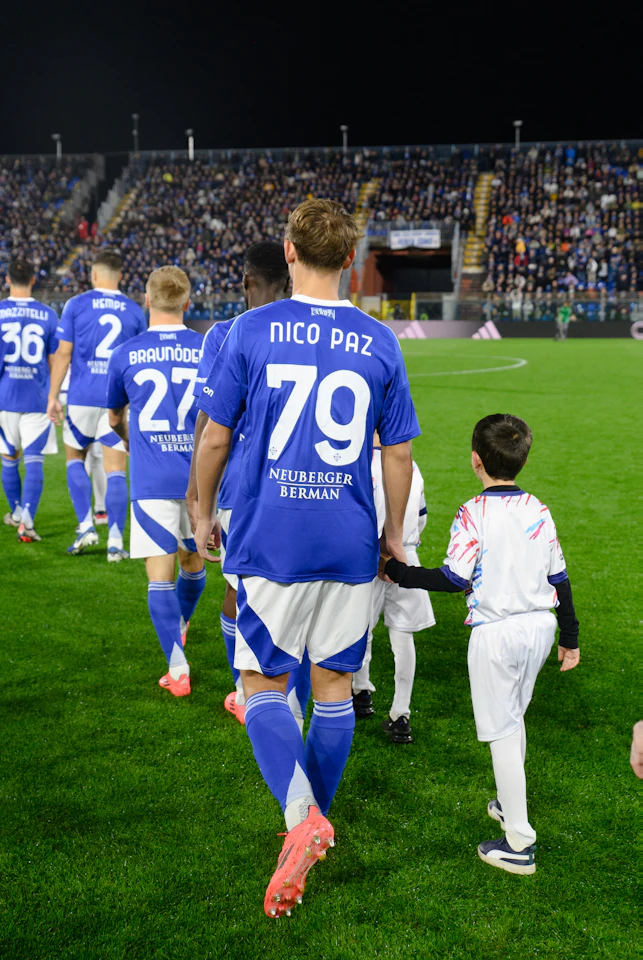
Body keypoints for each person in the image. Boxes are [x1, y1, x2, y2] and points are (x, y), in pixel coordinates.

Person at [195, 198, 420, 917]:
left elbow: (214, 437)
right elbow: (400, 449)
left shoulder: (248, 330)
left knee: (261, 679)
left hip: (272, 534)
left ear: (289, 252)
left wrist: (201, 509)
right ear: (350, 260)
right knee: (332, 686)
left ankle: (301, 820)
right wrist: (390, 535)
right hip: (349, 537)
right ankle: (313, 819)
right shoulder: (380, 340)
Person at [381, 414, 580, 876]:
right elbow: (560, 577)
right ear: (523, 457)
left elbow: (453, 578)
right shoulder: (538, 508)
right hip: (540, 627)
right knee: (514, 719)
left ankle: (519, 844)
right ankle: (511, 811)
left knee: (503, 731)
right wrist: (569, 637)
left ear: (475, 460)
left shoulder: (474, 512)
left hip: (498, 633)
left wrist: (396, 571)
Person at [186, 241, 290, 724]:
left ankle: (245, 691)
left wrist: (195, 495)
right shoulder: (308, 330)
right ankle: (298, 690)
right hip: (304, 486)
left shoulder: (225, 334)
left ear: (246, 282)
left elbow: (208, 424)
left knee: (237, 587)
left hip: (239, 489)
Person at [106, 266, 205, 696]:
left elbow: (114, 417)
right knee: (194, 565)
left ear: (146, 300)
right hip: (201, 482)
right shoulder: (207, 349)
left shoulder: (126, 353)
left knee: (159, 578)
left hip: (150, 478)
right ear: (188, 303)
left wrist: (132, 439)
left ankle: (177, 667)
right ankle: (180, 625)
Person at [47, 250, 147, 560]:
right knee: (116, 468)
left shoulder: (76, 304)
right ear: (120, 275)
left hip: (81, 397)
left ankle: (86, 525)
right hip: (115, 400)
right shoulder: (133, 311)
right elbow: (137, 360)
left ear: (93, 274)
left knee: (75, 457)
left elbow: (63, 353)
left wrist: (52, 397)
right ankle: (116, 541)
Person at [352, 435, 434, 743]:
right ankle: (401, 714)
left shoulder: (358, 464)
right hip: (406, 556)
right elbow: (422, 518)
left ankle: (360, 693)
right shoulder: (411, 464)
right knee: (403, 636)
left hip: (367, 558)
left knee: (361, 629)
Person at [0, 259, 59, 542]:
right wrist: (54, 395)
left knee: (9, 459)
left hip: (4, 397)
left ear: (8, 279)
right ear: (33, 280)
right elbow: (55, 358)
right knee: (34, 460)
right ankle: (27, 520)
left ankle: (15, 513)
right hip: (37, 398)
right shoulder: (47, 314)